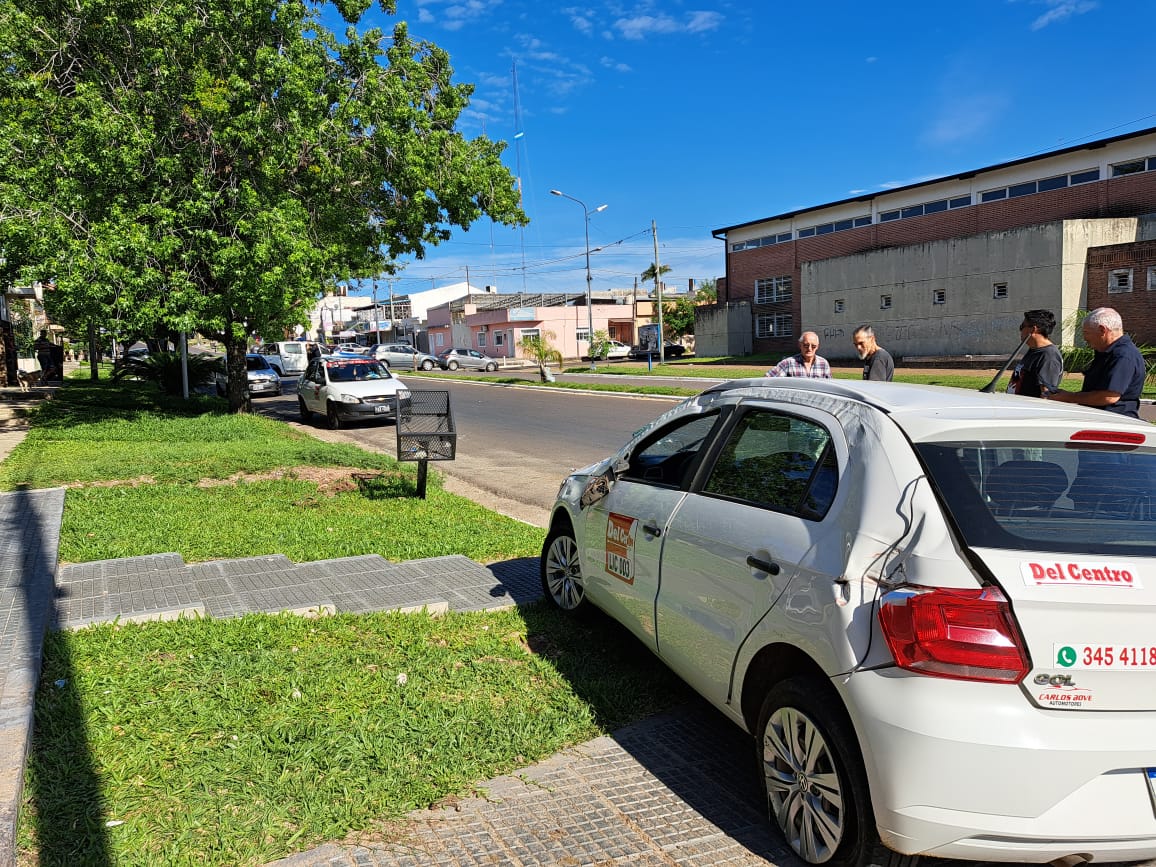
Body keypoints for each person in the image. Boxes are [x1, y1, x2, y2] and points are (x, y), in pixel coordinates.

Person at [1047, 307, 1145, 418]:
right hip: (1100, 418)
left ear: (1102, 330)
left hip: (1113, 421)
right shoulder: (1106, 352)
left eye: (1086, 332)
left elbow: (1109, 397)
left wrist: (1069, 397)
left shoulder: (1123, 356)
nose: (1085, 338)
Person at [1006, 309, 1063, 398]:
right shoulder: (1034, 350)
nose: (1020, 331)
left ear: (1033, 329)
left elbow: (1046, 395)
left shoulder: (1049, 356)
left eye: (1022, 326)